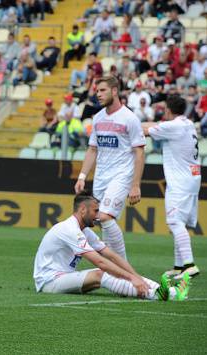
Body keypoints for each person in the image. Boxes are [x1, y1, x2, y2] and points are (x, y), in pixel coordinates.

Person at [33, 190, 190, 301]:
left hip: (63, 277)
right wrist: (131, 278)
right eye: (95, 211)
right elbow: (100, 262)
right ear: (82, 210)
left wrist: (134, 276)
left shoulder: (84, 231)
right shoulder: (70, 230)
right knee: (101, 273)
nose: (98, 216)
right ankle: (156, 295)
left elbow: (112, 256)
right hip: (49, 282)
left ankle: (170, 292)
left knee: (113, 273)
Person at [74, 76, 146, 260]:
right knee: (100, 220)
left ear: (114, 91)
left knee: (104, 216)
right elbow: (92, 149)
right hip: (101, 177)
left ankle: (124, 269)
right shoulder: (97, 118)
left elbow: (139, 153)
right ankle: (113, 269)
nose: (98, 94)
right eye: (97, 91)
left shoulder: (129, 118)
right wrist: (82, 176)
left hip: (122, 175)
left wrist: (135, 185)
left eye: (102, 90)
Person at [142, 95, 201, 278]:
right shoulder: (188, 123)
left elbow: (143, 130)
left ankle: (190, 264)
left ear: (168, 110)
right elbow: (152, 126)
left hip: (180, 181)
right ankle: (178, 266)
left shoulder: (172, 126)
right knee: (179, 223)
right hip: (192, 177)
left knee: (174, 222)